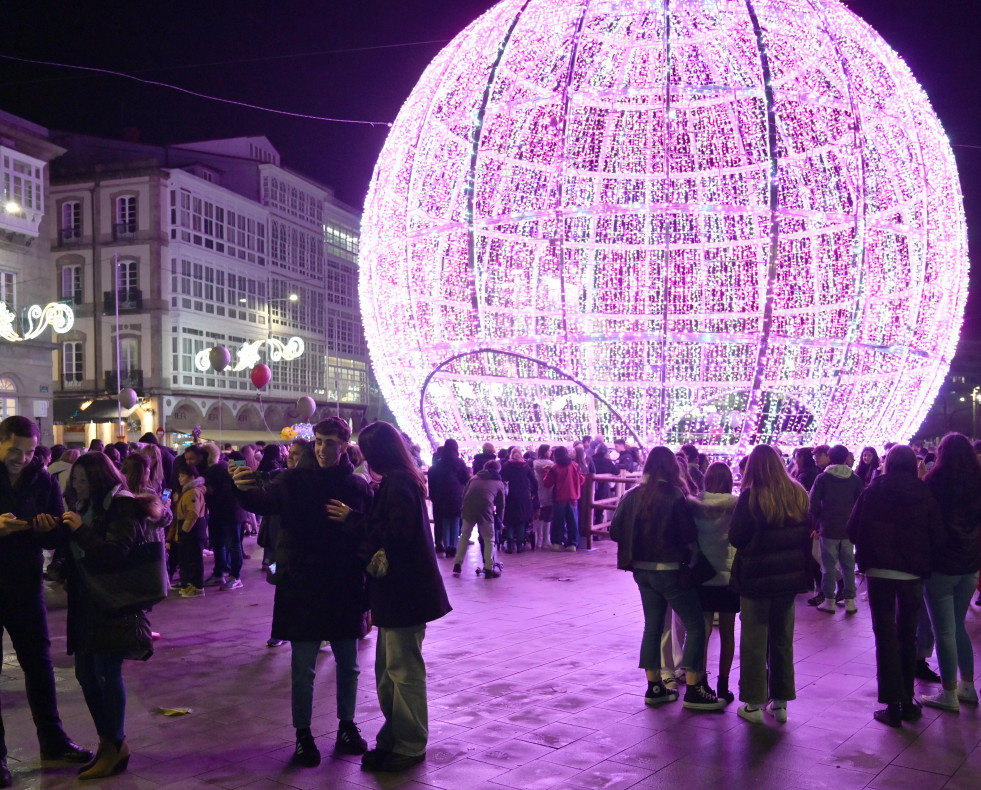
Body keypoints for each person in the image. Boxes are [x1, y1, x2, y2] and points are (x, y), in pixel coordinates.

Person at [232, 417, 374, 766]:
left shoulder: (356, 485)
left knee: (348, 663)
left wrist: (353, 519)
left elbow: (370, 529)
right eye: (320, 441)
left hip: (343, 580)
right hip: (303, 581)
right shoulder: (293, 481)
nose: (324, 448)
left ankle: (346, 724)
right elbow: (261, 502)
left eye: (332, 442)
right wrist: (238, 485)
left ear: (345, 445)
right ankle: (303, 734)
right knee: (303, 665)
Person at [0, 417, 93, 787]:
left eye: (28, 451)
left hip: (24, 585)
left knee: (38, 665)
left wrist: (46, 530)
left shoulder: (43, 479)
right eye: (14, 451)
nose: (21, 458)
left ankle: (52, 741)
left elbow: (56, 539)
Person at [355, 421, 452, 773]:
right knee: (388, 670)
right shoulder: (401, 479)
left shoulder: (397, 483)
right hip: (401, 592)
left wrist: (356, 523)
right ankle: (394, 735)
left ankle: (410, 743)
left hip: (404, 591)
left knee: (401, 669)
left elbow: (395, 534)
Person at [59, 451, 160, 779]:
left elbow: (117, 552)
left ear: (100, 479)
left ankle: (115, 745)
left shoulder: (121, 505)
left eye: (83, 480)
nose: (77, 486)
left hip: (112, 603)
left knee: (105, 673)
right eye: (75, 480)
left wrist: (78, 530)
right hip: (87, 602)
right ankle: (108, 744)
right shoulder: (85, 507)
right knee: (86, 674)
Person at [609, 446, 725, 711]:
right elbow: (688, 534)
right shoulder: (675, 495)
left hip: (641, 571)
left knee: (653, 627)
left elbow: (616, 531)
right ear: (672, 468)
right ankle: (695, 688)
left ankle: (655, 687)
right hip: (670, 570)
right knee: (696, 625)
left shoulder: (631, 495)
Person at [846, 444, 945, 727]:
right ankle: (907, 700)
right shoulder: (924, 492)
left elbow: (852, 530)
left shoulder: (874, 490)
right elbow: (937, 535)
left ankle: (892, 704)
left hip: (879, 572)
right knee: (907, 634)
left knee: (885, 635)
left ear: (887, 463)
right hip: (912, 574)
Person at [729, 444, 812, 725]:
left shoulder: (750, 497)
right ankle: (780, 703)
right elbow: (806, 534)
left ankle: (753, 703)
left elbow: (737, 537)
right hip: (788, 579)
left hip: (756, 577)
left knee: (754, 638)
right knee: (782, 639)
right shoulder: (798, 494)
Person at [920, 433, 981, 712]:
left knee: (943, 629)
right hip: (969, 564)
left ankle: (948, 693)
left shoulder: (935, 482)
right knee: (958, 626)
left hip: (941, 565)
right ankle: (968, 686)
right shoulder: (978, 482)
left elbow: (927, 522)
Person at [688, 461, 740, 703]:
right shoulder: (736, 504)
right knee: (728, 632)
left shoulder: (696, 503)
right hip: (728, 574)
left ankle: (700, 679)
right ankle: (723, 684)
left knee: (703, 631)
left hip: (703, 573)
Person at [809, 445, 864, 614]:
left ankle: (829, 600)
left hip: (828, 528)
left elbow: (813, 503)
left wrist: (818, 522)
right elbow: (860, 503)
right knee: (848, 565)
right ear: (846, 457)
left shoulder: (823, 478)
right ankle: (849, 600)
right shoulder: (854, 479)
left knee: (828, 566)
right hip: (848, 530)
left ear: (830, 457)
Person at [453, 459, 506, 577]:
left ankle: (457, 563)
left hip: (468, 509)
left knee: (464, 536)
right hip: (485, 511)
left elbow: (464, 494)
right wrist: (500, 520)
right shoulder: (498, 482)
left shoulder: (474, 478)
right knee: (489, 539)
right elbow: (501, 505)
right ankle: (488, 567)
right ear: (498, 470)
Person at [426, 439, 469, 557]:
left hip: (441, 497)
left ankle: (446, 545)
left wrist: (433, 496)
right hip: (456, 495)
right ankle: (454, 546)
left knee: (445, 521)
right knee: (455, 520)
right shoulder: (459, 463)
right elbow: (466, 479)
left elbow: (432, 483)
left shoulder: (436, 466)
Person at [172, 458, 208, 598]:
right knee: (189, 558)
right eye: (179, 476)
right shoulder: (187, 491)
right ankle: (191, 585)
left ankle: (197, 587)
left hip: (193, 530)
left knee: (194, 559)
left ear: (192, 477)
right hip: (191, 530)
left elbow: (192, 513)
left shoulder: (192, 492)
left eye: (182, 476)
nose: (179, 479)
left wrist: (184, 531)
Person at [543, 446, 585, 551]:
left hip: (559, 498)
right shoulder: (575, 466)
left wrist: (545, 473)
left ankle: (556, 543)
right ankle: (572, 544)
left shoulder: (555, 468)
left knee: (558, 521)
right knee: (573, 522)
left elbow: (547, 483)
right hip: (573, 498)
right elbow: (582, 480)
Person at [500, 448, 539, 553]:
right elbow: (534, 481)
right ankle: (520, 545)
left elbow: (501, 479)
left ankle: (509, 544)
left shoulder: (506, 466)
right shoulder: (525, 466)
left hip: (510, 496)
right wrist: (533, 492)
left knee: (509, 521)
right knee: (521, 520)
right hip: (523, 496)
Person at [532, 444, 554, 549]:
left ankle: (538, 540)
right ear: (546, 452)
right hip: (548, 490)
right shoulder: (550, 464)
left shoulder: (535, 463)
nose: (551, 452)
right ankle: (546, 540)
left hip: (538, 490)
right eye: (549, 451)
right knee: (548, 515)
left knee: (539, 515)